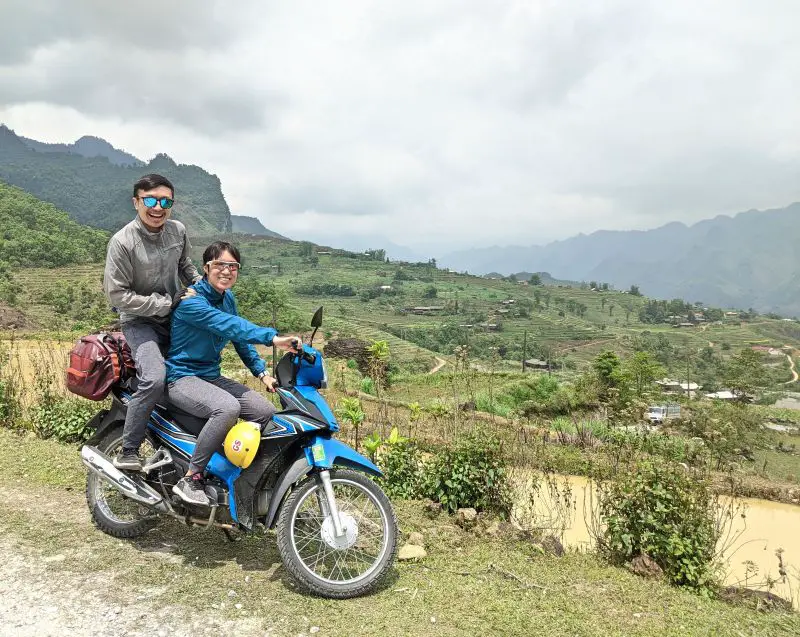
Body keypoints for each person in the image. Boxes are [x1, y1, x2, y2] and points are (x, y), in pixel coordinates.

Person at [165, 241, 300, 505]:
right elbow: (230, 326)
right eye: (219, 265)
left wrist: (262, 373)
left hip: (210, 376)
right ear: (206, 268)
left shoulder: (228, 299)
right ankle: (192, 477)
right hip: (182, 377)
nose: (226, 271)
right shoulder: (193, 302)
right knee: (227, 408)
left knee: (265, 412)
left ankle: (238, 470)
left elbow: (240, 341)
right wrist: (272, 338)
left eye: (233, 266)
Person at [103, 174, 202, 471]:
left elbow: (186, 267)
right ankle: (129, 449)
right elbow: (117, 295)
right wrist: (163, 303)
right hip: (139, 321)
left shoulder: (178, 231)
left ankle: (182, 446)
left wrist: (204, 289)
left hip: (174, 320)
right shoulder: (122, 242)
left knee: (195, 374)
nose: (158, 207)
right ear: (136, 202)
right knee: (156, 377)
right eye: (150, 200)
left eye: (165, 201)